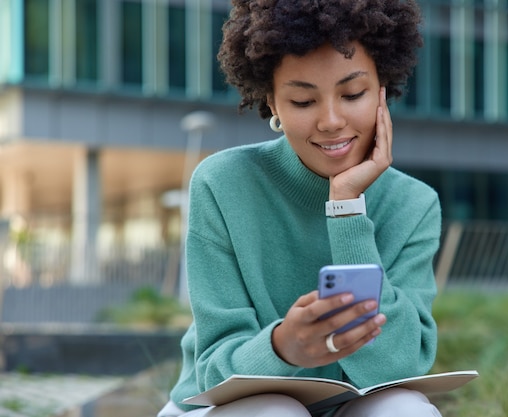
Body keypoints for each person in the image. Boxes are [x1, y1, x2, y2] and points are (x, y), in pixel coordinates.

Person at [158, 0, 442, 416]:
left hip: (348, 405)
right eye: (303, 102)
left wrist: (347, 209)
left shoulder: (414, 204)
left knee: (404, 410)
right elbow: (212, 374)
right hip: (229, 408)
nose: (330, 120)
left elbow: (399, 366)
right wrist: (283, 347)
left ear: (383, 90)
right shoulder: (222, 183)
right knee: (274, 411)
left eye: (352, 93)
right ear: (273, 103)